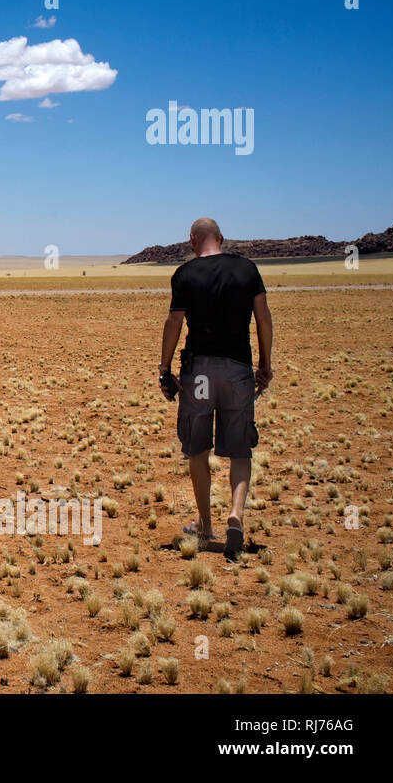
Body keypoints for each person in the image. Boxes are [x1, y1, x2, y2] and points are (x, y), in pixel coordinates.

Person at [159, 217, 273, 560]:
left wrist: (164, 369)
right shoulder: (247, 270)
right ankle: (236, 515)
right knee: (240, 450)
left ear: (193, 240)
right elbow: (264, 317)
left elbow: (174, 323)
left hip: (200, 373)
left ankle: (206, 527)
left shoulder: (184, 275)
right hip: (238, 371)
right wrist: (265, 365)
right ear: (221, 238)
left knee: (197, 449)